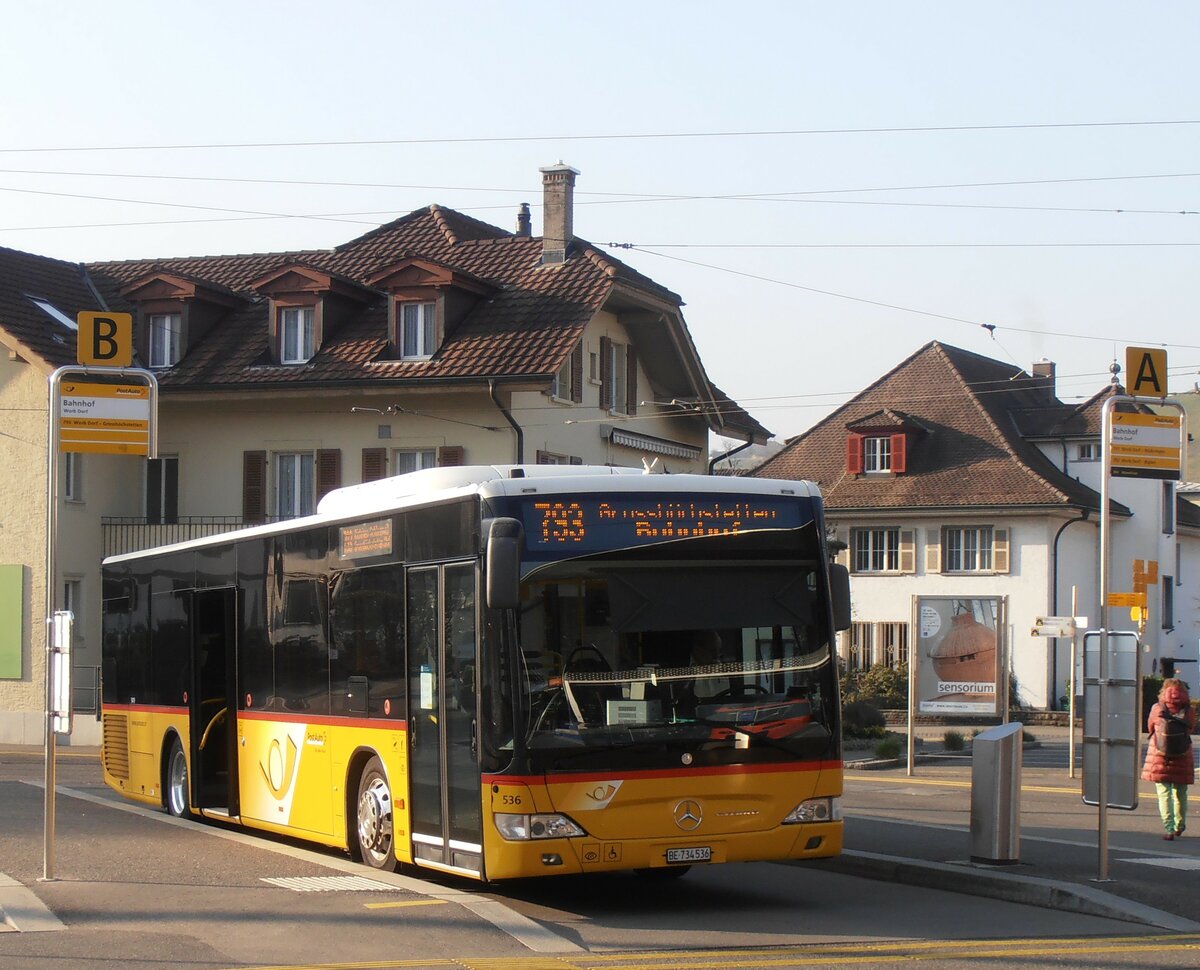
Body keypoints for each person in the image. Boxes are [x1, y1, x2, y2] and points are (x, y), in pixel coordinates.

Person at [1141, 678, 1197, 840]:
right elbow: (1191, 728)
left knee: (1164, 793)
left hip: (1160, 756)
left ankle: (1169, 828)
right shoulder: (1189, 710)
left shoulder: (1157, 708)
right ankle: (1180, 825)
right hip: (1182, 755)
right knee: (1181, 793)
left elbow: (1150, 727)